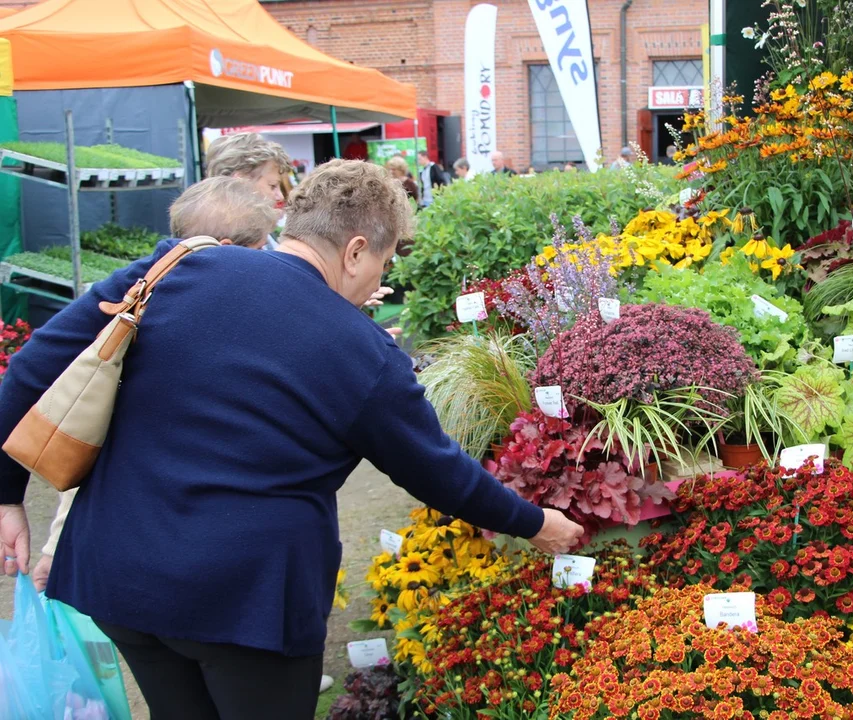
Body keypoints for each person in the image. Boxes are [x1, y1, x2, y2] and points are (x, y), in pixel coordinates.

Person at [0, 159, 584, 719]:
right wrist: (536, 524)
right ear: (356, 250)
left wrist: (7, 497)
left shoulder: (179, 265)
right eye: (382, 263)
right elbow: (440, 474)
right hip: (246, 599)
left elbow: (32, 368)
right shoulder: (364, 352)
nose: (379, 280)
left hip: (118, 569)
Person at [30, 176, 279, 592]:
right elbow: (35, 364)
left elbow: (32, 363)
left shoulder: (142, 280)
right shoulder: (200, 294)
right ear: (228, 248)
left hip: (127, 531)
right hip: (180, 537)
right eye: (259, 249)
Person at [205, 132, 291, 249]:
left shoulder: (210, 225)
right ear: (242, 182)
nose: (280, 196)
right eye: (272, 186)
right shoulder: (237, 239)